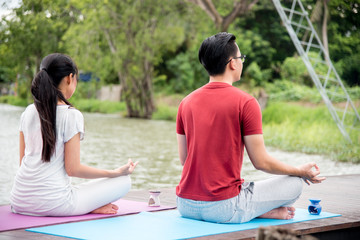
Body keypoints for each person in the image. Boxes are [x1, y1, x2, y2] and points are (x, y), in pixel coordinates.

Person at [175, 32, 325, 223]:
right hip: (224, 208)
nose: (242, 62)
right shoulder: (246, 102)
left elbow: (184, 159)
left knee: (244, 186)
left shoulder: (185, 103)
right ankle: (255, 210)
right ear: (232, 63)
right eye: (241, 58)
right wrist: (300, 171)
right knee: (294, 184)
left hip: (185, 204)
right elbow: (261, 162)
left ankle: (255, 209)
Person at [10, 53, 138, 216]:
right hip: (56, 204)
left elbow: (23, 163)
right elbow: (73, 169)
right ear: (70, 78)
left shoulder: (28, 112)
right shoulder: (71, 115)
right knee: (123, 181)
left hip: (19, 201)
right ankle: (88, 206)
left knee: (73, 189)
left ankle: (87, 204)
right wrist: (116, 173)